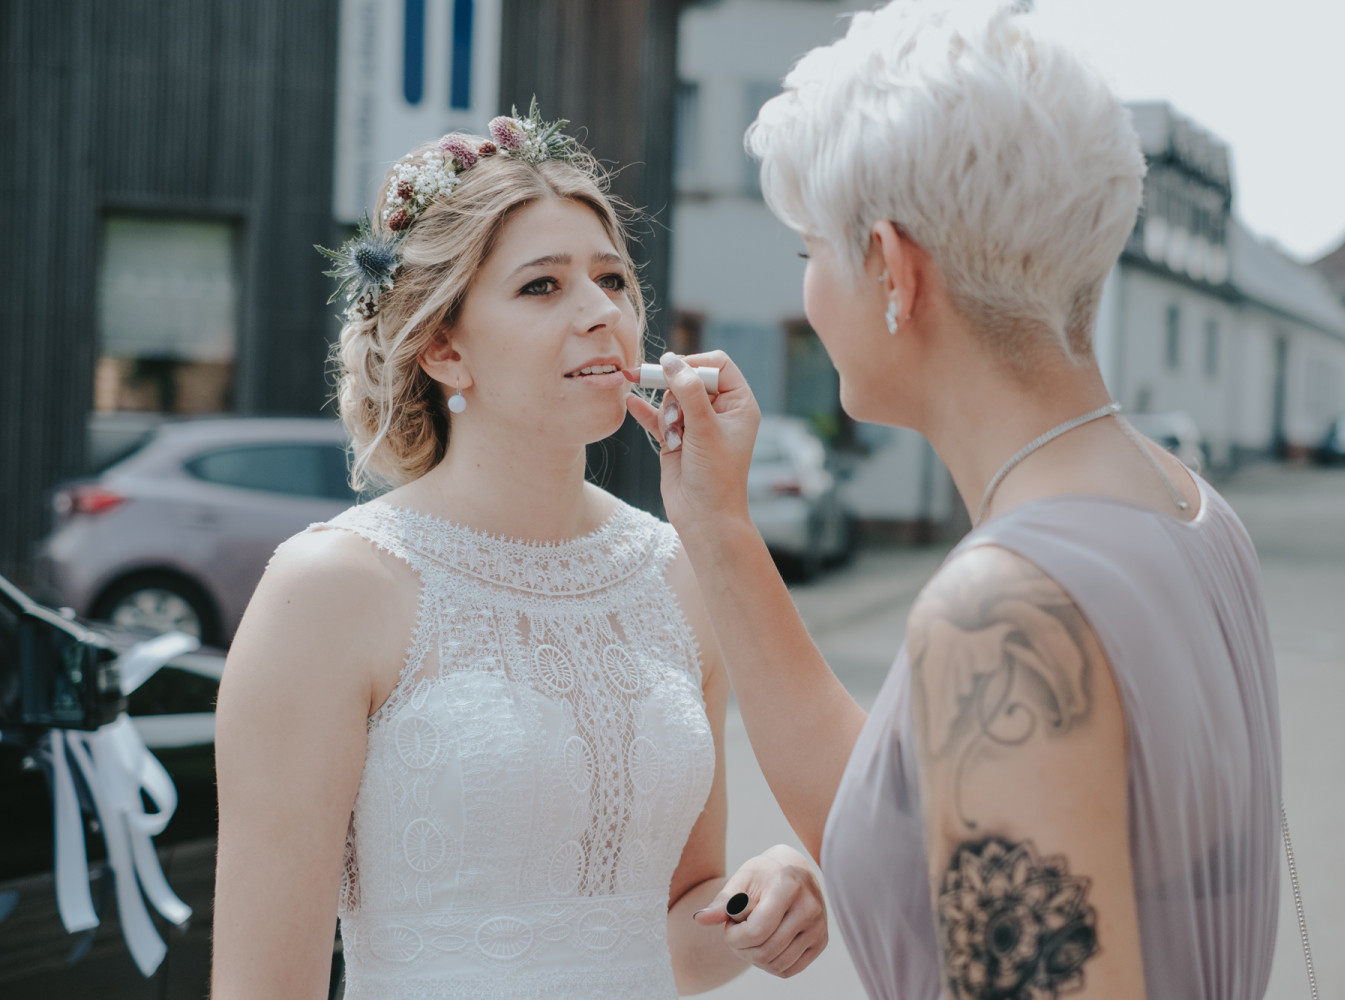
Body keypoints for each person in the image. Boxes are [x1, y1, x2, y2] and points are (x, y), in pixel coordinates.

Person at [626, 3, 1282, 999]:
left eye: (811, 250)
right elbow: (903, 825)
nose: (806, 286)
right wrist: (716, 523)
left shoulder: (1006, 606)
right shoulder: (1184, 505)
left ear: (892, 268)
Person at [210, 108, 827, 1000]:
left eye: (613, 279)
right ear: (444, 348)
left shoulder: (676, 575)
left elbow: (672, 936)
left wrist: (758, 899)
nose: (601, 313)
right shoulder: (334, 589)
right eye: (543, 287)